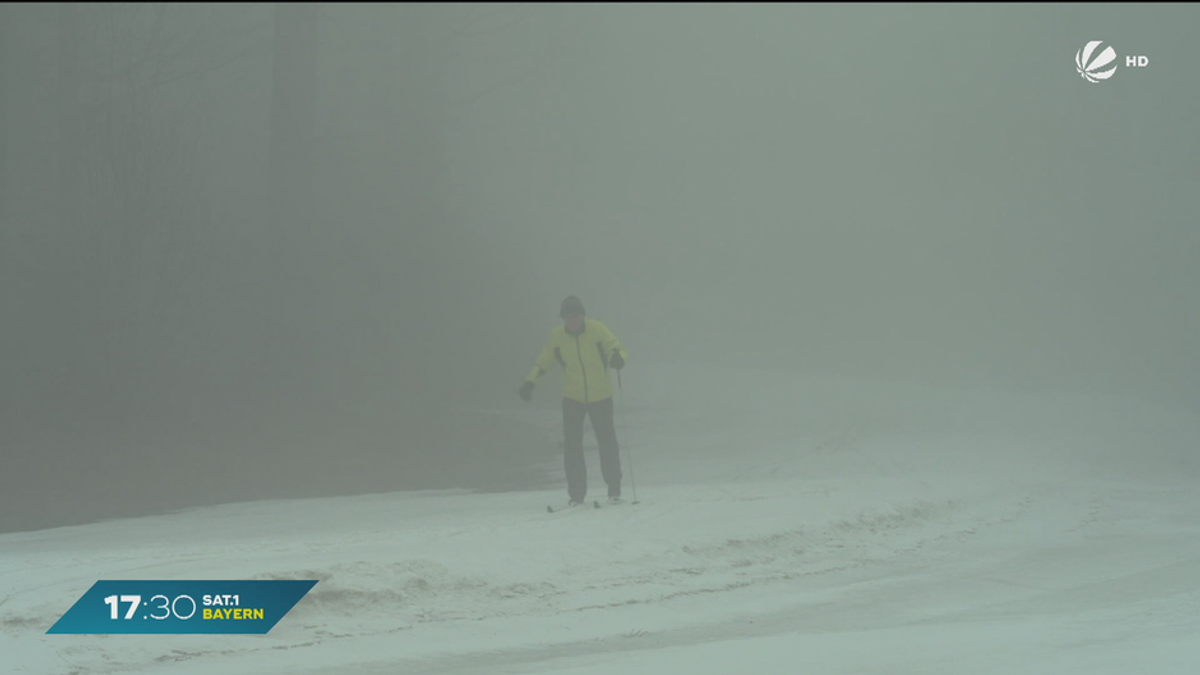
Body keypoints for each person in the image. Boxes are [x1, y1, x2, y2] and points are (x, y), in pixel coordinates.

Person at [519, 296, 627, 507]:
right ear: (563, 318)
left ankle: (614, 490)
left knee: (607, 443)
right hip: (573, 398)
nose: (572, 320)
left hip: (601, 396)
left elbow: (616, 348)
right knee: (572, 447)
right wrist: (530, 382)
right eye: (567, 316)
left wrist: (619, 359)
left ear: (582, 315)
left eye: (575, 315)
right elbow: (544, 361)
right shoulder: (557, 336)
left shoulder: (597, 330)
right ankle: (577, 495)